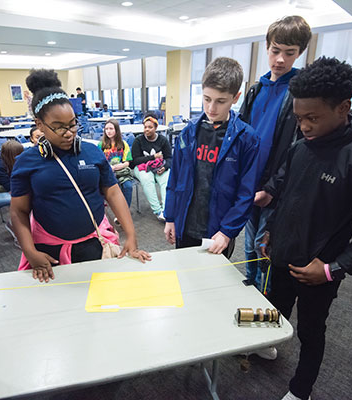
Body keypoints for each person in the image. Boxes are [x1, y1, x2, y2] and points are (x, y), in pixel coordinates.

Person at [260, 57, 352, 400]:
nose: (304, 126)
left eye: (312, 118)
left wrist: (331, 268)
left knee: (310, 330)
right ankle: (264, 347)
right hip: (281, 255)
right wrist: (271, 232)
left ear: (343, 108)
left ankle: (301, 389)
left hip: (318, 269)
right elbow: (288, 198)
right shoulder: (299, 148)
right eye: (299, 118)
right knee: (272, 309)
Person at [10, 70, 151, 283]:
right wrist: (30, 252)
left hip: (94, 242)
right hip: (49, 252)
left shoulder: (92, 152)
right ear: (39, 125)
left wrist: (131, 235)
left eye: (72, 124)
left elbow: (112, 192)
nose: (69, 133)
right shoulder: (26, 162)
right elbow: (19, 211)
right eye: (58, 127)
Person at [239, 15, 312, 294]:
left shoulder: (299, 91)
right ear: (267, 47)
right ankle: (249, 287)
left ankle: (264, 296)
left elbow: (298, 148)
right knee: (248, 243)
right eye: (275, 50)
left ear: (300, 53)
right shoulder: (256, 89)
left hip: (277, 188)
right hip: (250, 182)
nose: (280, 59)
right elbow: (242, 137)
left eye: (289, 53)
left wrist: (272, 187)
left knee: (265, 244)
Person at [164, 57, 259, 258]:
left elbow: (246, 194)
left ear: (236, 97)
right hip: (185, 225)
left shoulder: (247, 139)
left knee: (212, 284)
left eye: (220, 101)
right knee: (183, 279)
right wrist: (170, 217)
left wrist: (227, 231)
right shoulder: (188, 134)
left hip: (218, 231)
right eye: (207, 99)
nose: (211, 108)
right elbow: (175, 180)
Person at [130, 113, 172, 221]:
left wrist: (165, 166)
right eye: (145, 127)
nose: (147, 130)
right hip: (141, 167)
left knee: (166, 179)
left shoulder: (163, 140)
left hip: (159, 167)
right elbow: (135, 161)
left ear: (156, 128)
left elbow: (169, 158)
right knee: (147, 179)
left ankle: (166, 210)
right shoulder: (138, 141)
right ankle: (158, 211)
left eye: (150, 127)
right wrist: (153, 157)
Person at [98, 118, 134, 208]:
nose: (108, 131)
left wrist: (117, 166)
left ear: (116, 130)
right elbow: (99, 163)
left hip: (121, 172)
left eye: (111, 129)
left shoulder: (123, 144)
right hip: (107, 173)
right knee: (116, 186)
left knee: (128, 186)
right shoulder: (101, 145)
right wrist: (110, 168)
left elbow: (127, 163)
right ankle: (119, 211)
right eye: (106, 129)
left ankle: (125, 211)